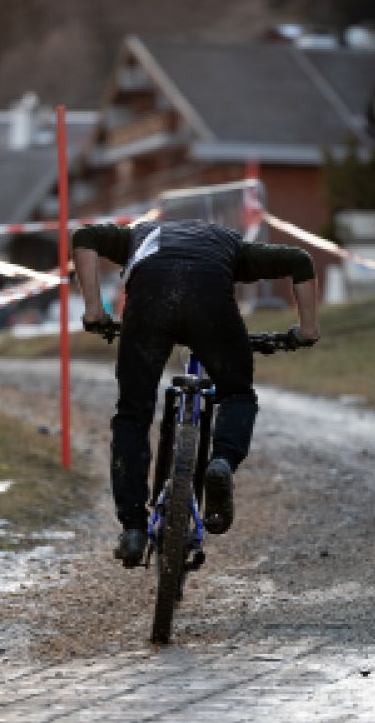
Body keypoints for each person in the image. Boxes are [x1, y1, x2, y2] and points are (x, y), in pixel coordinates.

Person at [71, 217, 320, 567]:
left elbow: (84, 236)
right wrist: (306, 331)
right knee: (236, 394)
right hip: (209, 303)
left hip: (149, 302)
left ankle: (133, 529)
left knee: (133, 414)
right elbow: (300, 260)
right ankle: (221, 462)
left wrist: (95, 310)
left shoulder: (138, 236)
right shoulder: (231, 245)